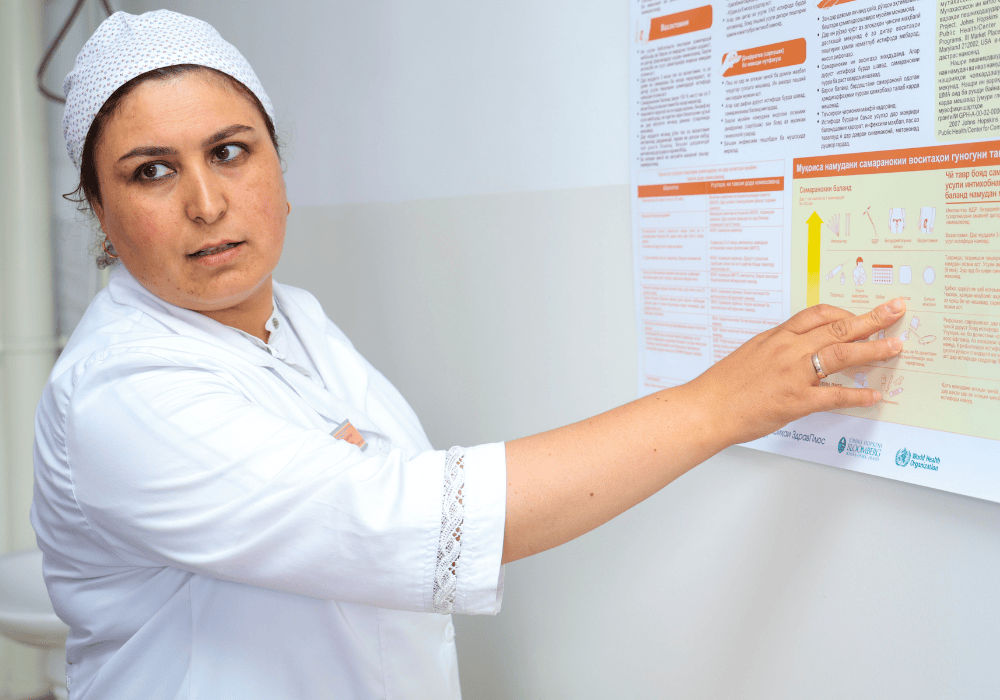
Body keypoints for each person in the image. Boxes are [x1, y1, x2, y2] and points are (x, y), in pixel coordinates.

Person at [31, 10, 905, 700]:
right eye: (151, 171)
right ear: (101, 213)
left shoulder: (293, 318)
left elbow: (361, 494)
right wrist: (719, 406)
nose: (207, 202)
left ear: (279, 169)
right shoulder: (120, 393)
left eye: (230, 152)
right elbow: (402, 516)